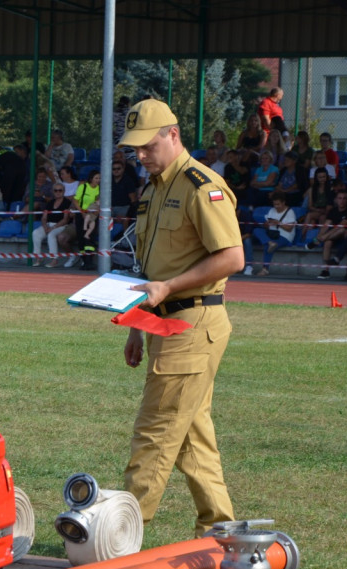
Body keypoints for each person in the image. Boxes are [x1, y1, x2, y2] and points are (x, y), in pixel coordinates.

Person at [118, 98, 243, 537]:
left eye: (147, 146)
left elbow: (232, 257)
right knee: (192, 436)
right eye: (134, 148)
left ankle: (121, 534)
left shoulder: (200, 185)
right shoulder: (153, 187)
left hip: (192, 322)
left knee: (155, 432)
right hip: (165, 323)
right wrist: (138, 324)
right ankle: (220, 530)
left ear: (173, 134)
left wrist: (168, 289)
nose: (139, 155)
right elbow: (151, 269)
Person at [253, 191, 299, 276]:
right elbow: (266, 225)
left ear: (283, 202)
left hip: (284, 236)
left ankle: (265, 269)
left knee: (268, 247)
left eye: (278, 204)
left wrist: (278, 223)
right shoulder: (272, 210)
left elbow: (289, 228)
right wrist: (266, 224)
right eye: (275, 204)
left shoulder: (290, 212)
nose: (276, 207)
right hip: (271, 234)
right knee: (256, 230)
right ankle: (270, 242)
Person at [312, 189, 347, 279]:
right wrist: (320, 234)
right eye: (340, 198)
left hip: (344, 238)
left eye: (344, 198)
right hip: (332, 237)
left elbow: (342, 225)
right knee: (327, 243)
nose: (342, 201)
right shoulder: (333, 211)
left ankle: (319, 241)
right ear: (336, 200)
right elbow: (326, 225)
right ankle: (326, 270)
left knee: (341, 229)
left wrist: (322, 237)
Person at [32, 182, 74, 267]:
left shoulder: (67, 202)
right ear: (53, 192)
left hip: (61, 226)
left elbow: (65, 220)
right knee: (35, 233)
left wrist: (53, 227)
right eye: (56, 190)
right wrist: (45, 226)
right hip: (48, 224)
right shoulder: (50, 202)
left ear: (64, 191)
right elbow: (44, 217)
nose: (58, 192)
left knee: (51, 235)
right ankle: (38, 257)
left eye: (60, 190)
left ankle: (54, 259)